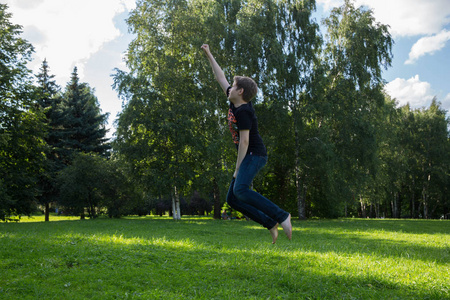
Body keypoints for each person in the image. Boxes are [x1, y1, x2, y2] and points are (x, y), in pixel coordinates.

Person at [201, 44, 292, 244]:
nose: (229, 89)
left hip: (254, 155)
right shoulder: (236, 102)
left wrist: (236, 168)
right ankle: (270, 223)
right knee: (232, 199)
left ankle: (282, 216)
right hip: (248, 155)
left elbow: (244, 141)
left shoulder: (244, 112)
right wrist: (209, 54)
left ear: (240, 91)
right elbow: (220, 77)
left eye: (232, 87)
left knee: (240, 190)